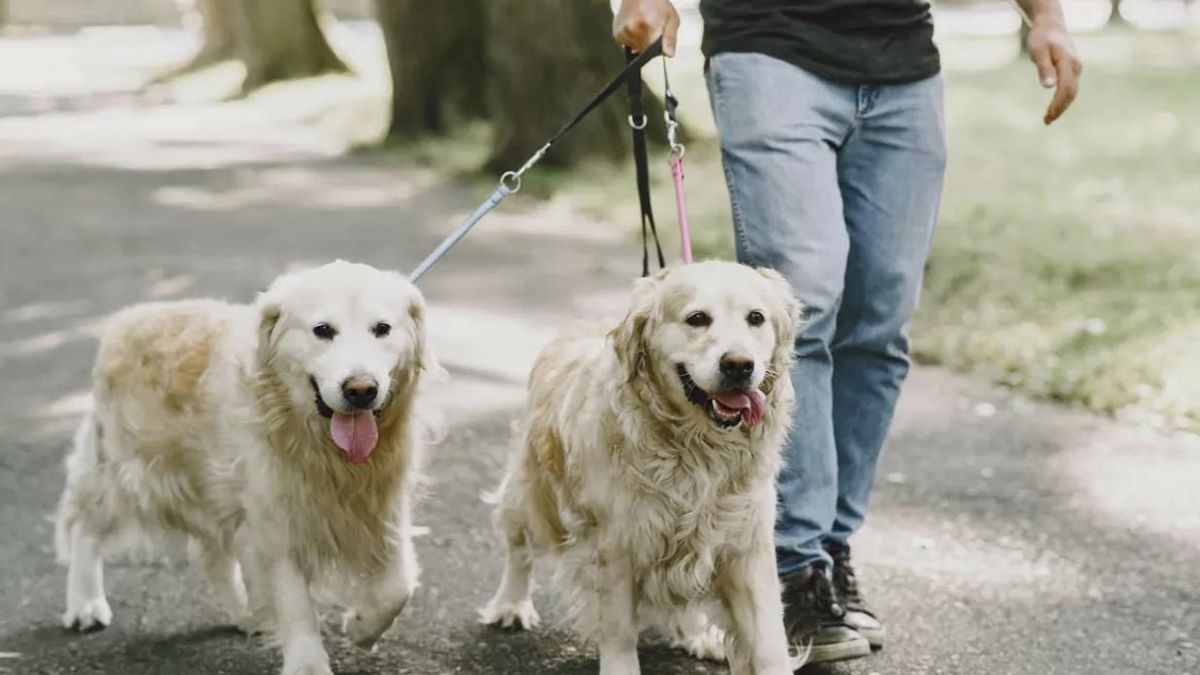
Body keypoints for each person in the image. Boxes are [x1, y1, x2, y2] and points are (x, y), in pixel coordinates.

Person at [613, 0, 1081, 665]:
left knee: (880, 320)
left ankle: (829, 544)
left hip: (902, 62)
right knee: (804, 308)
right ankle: (793, 564)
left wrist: (1049, 17)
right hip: (770, 46)